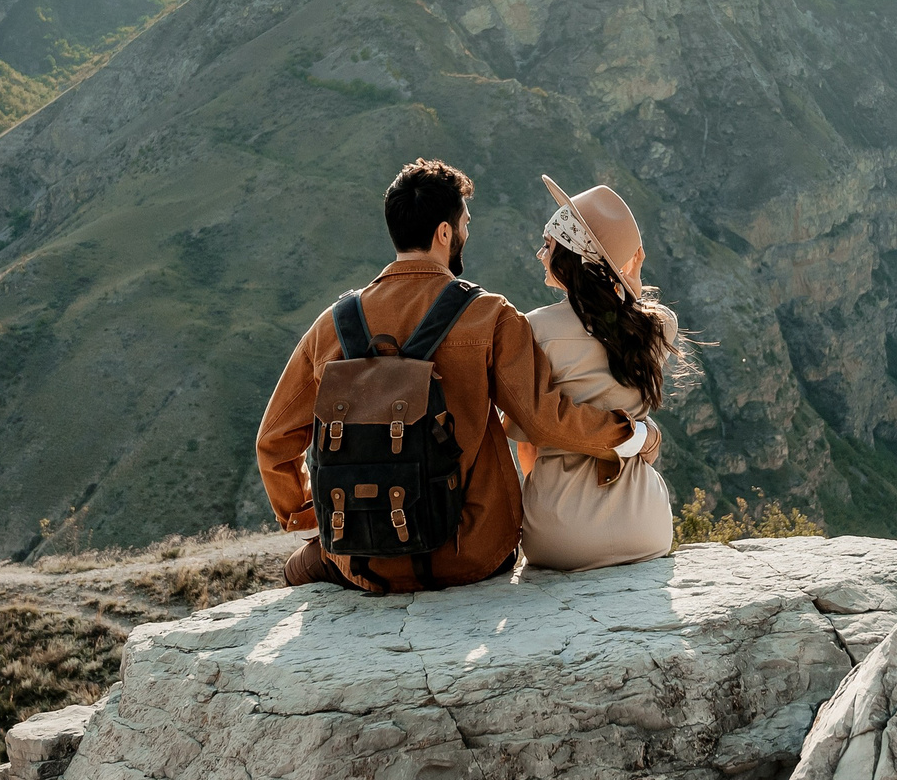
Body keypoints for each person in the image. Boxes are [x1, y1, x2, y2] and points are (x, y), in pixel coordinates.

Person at [256, 158, 656, 592]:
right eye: (464, 222)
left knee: (299, 568)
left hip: (364, 558)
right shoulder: (490, 316)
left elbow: (273, 441)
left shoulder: (333, 324)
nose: (467, 232)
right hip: (472, 552)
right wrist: (630, 434)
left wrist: (310, 517)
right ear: (444, 233)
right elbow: (545, 419)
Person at [511, 176, 690, 571]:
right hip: (646, 527)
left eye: (549, 245)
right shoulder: (659, 328)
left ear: (569, 259)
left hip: (560, 534)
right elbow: (626, 313)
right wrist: (630, 281)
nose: (541, 254)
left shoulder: (533, 330)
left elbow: (529, 442)